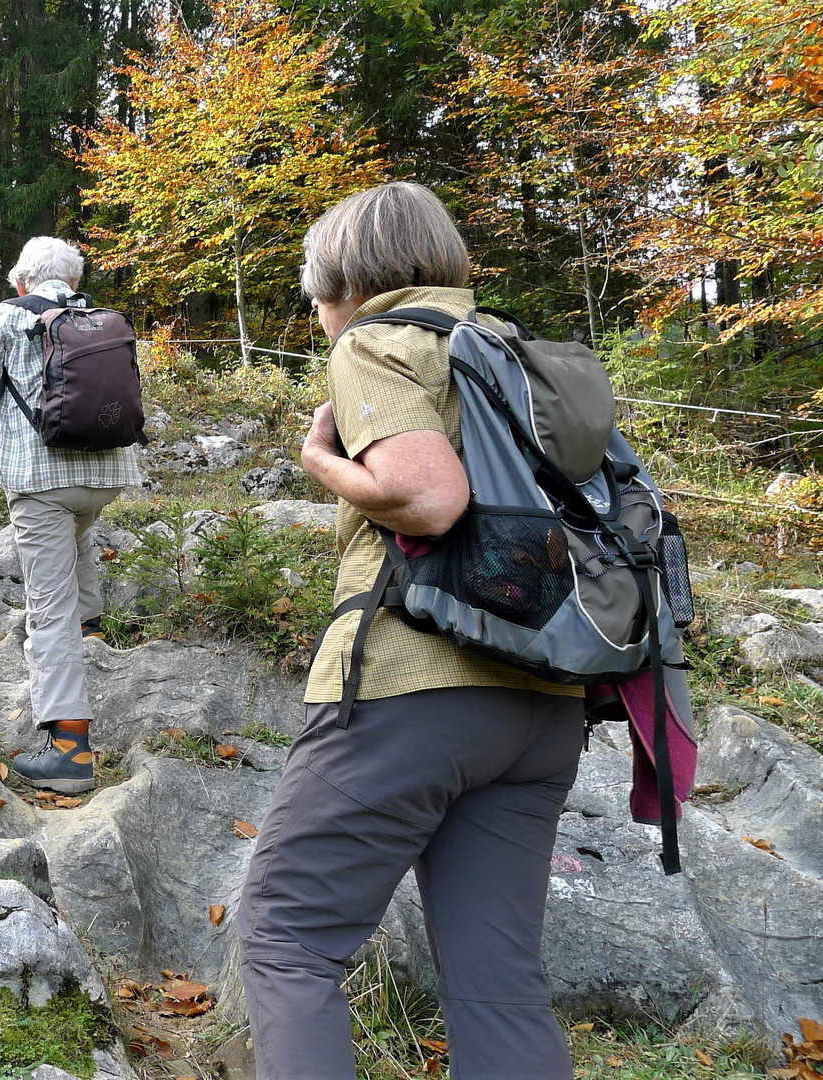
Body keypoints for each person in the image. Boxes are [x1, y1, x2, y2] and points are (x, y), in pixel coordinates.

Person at [235, 181, 585, 1079]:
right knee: (499, 982)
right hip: (543, 701)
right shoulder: (513, 348)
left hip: (410, 690)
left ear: (343, 280)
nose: (315, 314)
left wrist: (321, 462)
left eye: (313, 294)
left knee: (288, 944)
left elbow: (430, 496)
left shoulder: (379, 342)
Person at [0, 236, 141, 793]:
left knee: (48, 609)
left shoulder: (4, 317)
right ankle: (92, 629)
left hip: (40, 481)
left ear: (21, 282)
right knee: (77, 539)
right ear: (74, 282)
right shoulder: (100, 320)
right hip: (105, 477)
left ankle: (70, 751)